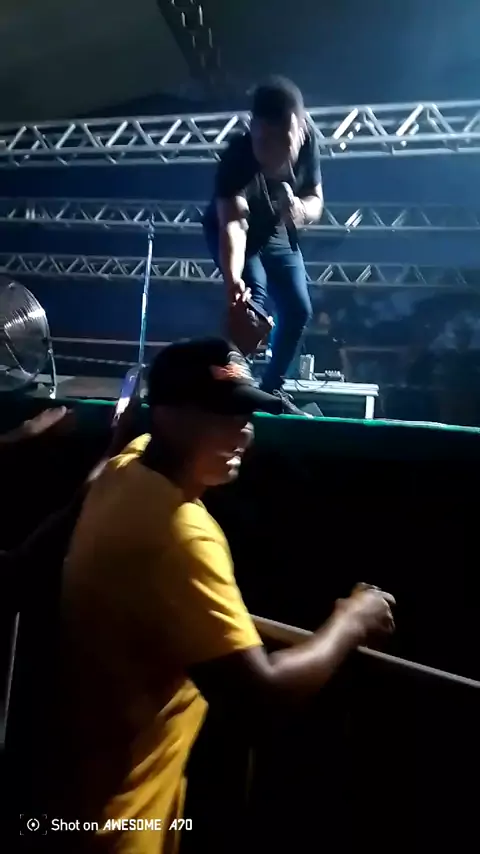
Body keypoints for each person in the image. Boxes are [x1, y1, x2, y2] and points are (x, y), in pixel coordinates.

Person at [38, 338, 394, 854]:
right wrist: (352, 620)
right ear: (168, 416)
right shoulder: (182, 535)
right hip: (120, 832)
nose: (242, 432)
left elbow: (116, 457)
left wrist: (118, 435)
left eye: (245, 416)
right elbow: (262, 696)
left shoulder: (125, 471)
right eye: (221, 416)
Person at [203, 76, 324, 415]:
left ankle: (271, 389)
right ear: (252, 127)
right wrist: (233, 280)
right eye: (262, 141)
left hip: (276, 228)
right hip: (234, 228)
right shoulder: (237, 158)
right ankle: (228, 384)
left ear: (299, 128)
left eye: (279, 142)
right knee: (251, 303)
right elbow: (233, 224)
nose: (269, 155)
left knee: (298, 309)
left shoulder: (311, 142)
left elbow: (316, 200)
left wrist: (300, 211)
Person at [304, 310, 349, 377]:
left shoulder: (335, 340)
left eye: (327, 319)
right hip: (315, 373)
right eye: (322, 319)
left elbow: (343, 360)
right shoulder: (310, 340)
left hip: (333, 373)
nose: (325, 321)